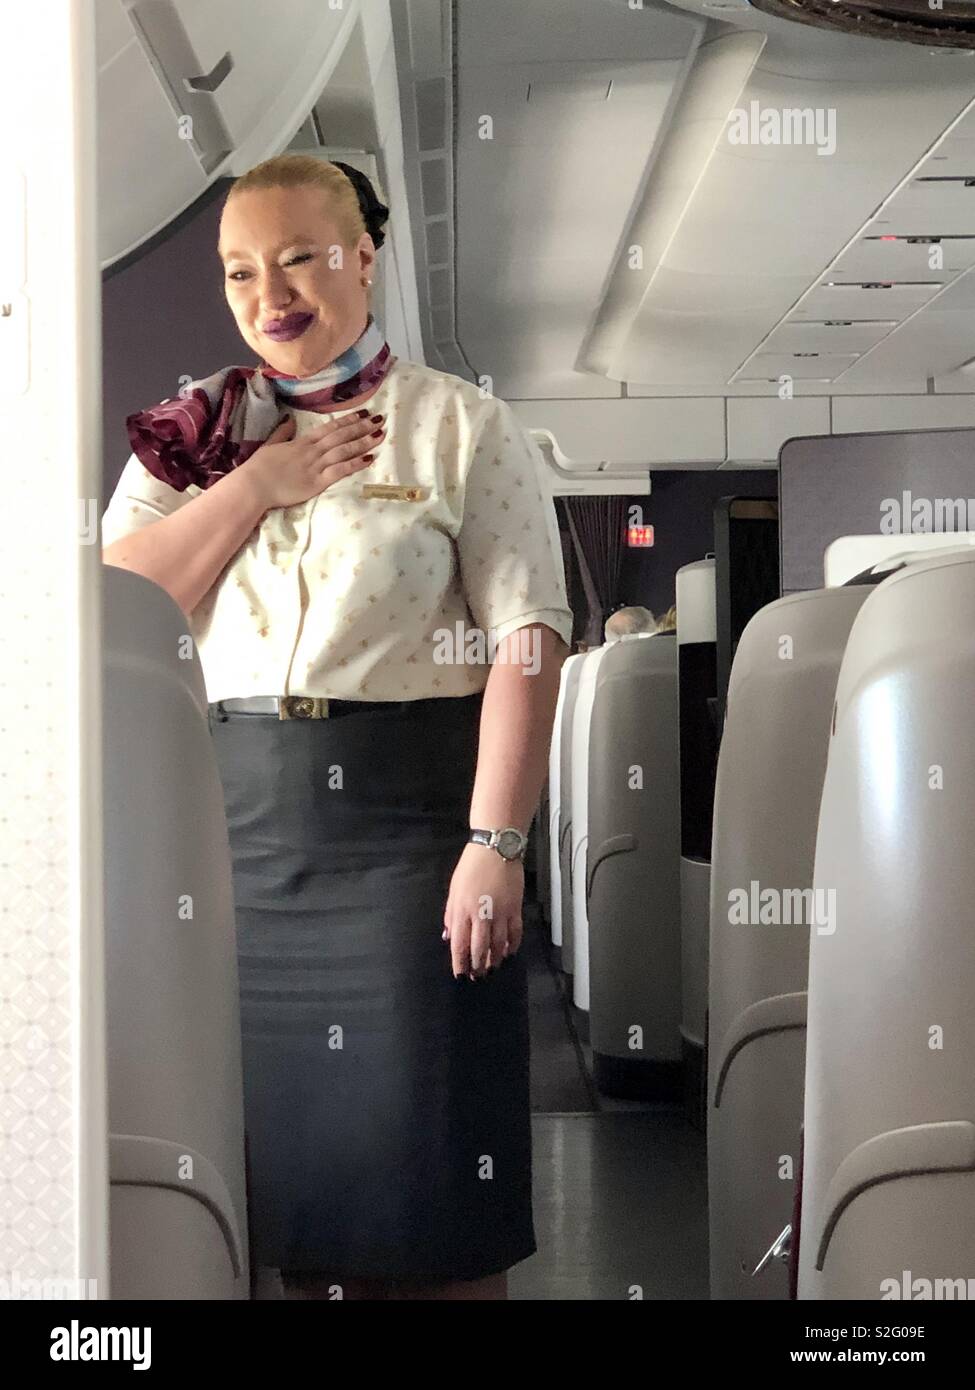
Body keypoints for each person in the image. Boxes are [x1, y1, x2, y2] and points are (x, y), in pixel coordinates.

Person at [100, 155, 573, 1300]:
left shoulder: (461, 428)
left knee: (429, 1186)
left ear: (364, 255)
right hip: (238, 844)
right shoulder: (196, 437)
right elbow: (120, 594)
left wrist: (495, 845)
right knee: (282, 1189)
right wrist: (257, 485)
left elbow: (527, 643)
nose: (274, 291)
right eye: (242, 271)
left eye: (303, 255)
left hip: (410, 839)